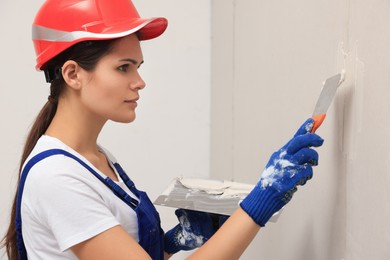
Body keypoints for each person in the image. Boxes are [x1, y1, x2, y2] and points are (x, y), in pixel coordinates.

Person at [0, 0, 324, 259]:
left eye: (137, 67)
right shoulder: (58, 179)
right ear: (73, 74)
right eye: (123, 67)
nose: (139, 82)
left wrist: (169, 245)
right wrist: (259, 202)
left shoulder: (95, 159)